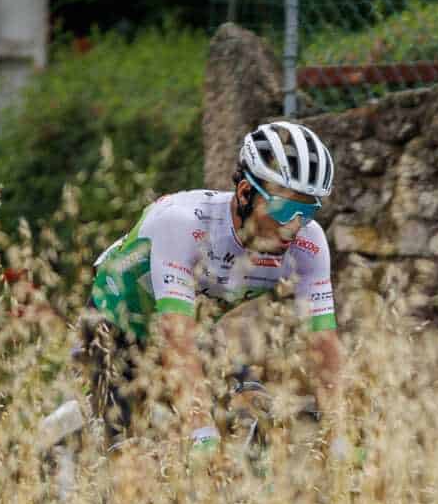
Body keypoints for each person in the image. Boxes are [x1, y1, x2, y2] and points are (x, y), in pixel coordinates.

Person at [80, 119, 343, 455]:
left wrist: (340, 436)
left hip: (198, 328)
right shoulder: (182, 223)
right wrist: (201, 431)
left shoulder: (309, 243)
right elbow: (176, 335)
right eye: (285, 209)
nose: (294, 226)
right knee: (132, 459)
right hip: (114, 327)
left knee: (256, 413)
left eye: (307, 211)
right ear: (246, 193)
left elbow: (324, 343)